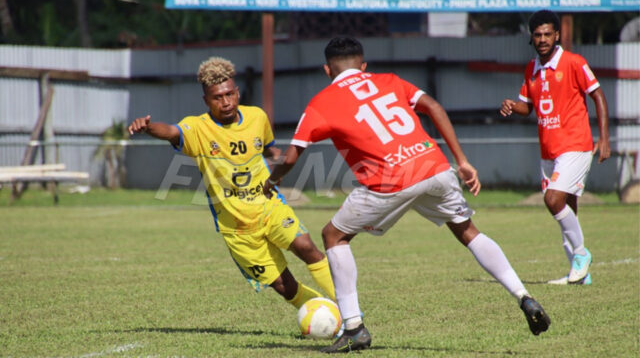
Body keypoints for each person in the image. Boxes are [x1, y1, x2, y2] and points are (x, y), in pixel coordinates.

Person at [264, 36, 550, 353]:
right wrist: (463, 161)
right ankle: (523, 295)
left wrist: (271, 180)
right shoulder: (389, 80)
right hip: (434, 166)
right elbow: (434, 107)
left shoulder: (323, 101)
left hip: (389, 180)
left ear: (326, 70)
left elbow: (291, 157)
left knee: (333, 235)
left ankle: (354, 328)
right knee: (468, 231)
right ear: (363, 66)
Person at [127, 57, 336, 311]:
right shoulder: (197, 128)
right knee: (284, 286)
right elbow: (172, 132)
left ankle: (349, 309)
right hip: (236, 227)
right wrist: (148, 128)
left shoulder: (257, 117)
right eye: (217, 97)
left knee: (306, 247)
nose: (225, 102)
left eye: (229, 94)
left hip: (269, 206)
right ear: (206, 101)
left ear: (237, 93)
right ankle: (322, 313)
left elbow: (268, 148)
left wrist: (278, 161)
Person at [500, 10, 610, 285]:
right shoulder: (531, 69)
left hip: (575, 145)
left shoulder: (574, 62)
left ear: (557, 35)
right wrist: (514, 106)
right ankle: (579, 273)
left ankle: (582, 255)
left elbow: (597, 95)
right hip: (548, 150)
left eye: (548, 34)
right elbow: (528, 107)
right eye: (537, 35)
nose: (542, 39)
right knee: (567, 207)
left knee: (553, 200)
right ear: (532, 38)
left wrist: (604, 138)